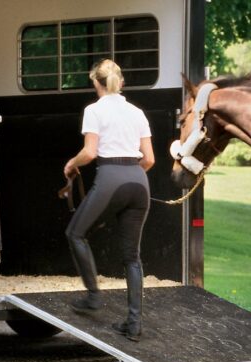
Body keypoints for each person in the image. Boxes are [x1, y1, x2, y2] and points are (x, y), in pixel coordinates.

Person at [64, 59, 154, 341]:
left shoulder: (94, 110)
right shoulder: (137, 112)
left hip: (110, 176)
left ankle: (93, 296)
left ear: (96, 83)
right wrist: (131, 177)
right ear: (121, 83)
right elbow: (149, 159)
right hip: (139, 181)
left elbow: (90, 153)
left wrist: (71, 164)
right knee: (132, 257)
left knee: (75, 233)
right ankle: (134, 324)